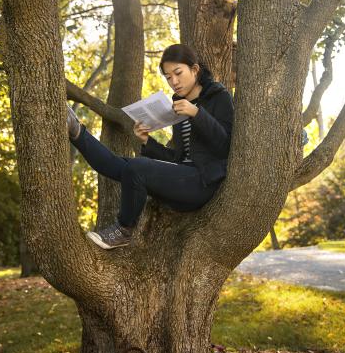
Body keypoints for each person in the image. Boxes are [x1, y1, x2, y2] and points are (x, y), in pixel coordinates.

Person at [65, 44, 234, 250]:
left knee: (137, 168)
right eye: (168, 77)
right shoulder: (179, 106)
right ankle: (76, 131)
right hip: (183, 179)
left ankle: (125, 229)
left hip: (204, 183)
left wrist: (196, 113)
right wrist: (147, 141)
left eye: (178, 73)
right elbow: (177, 159)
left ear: (195, 70)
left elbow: (225, 146)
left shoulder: (219, 97)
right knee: (121, 165)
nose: (174, 82)